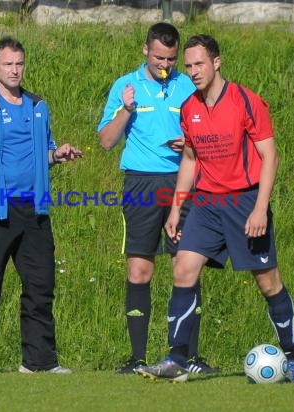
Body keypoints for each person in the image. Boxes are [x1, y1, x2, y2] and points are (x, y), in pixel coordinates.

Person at [138, 34, 294, 383]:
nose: (193, 71)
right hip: (207, 203)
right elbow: (189, 159)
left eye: (199, 64)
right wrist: (175, 210)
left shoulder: (247, 101)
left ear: (216, 62)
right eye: (188, 66)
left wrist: (260, 208)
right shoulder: (189, 107)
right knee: (183, 268)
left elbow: (270, 155)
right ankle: (176, 358)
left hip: (245, 201)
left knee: (268, 281)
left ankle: (292, 356)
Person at [0, 36, 82, 376]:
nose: (14, 70)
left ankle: (39, 362)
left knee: (40, 286)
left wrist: (58, 155)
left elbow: (44, 153)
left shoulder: (38, 106)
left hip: (33, 209)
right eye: (8, 64)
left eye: (19, 63)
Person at [97, 22, 219, 375]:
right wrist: (126, 110)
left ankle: (188, 357)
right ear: (144, 51)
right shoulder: (125, 86)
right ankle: (137, 358)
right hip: (141, 185)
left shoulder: (188, 85)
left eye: (170, 58)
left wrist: (192, 143)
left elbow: (214, 133)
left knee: (187, 268)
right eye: (158, 57)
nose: (165, 65)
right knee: (139, 270)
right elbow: (106, 141)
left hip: (185, 181)